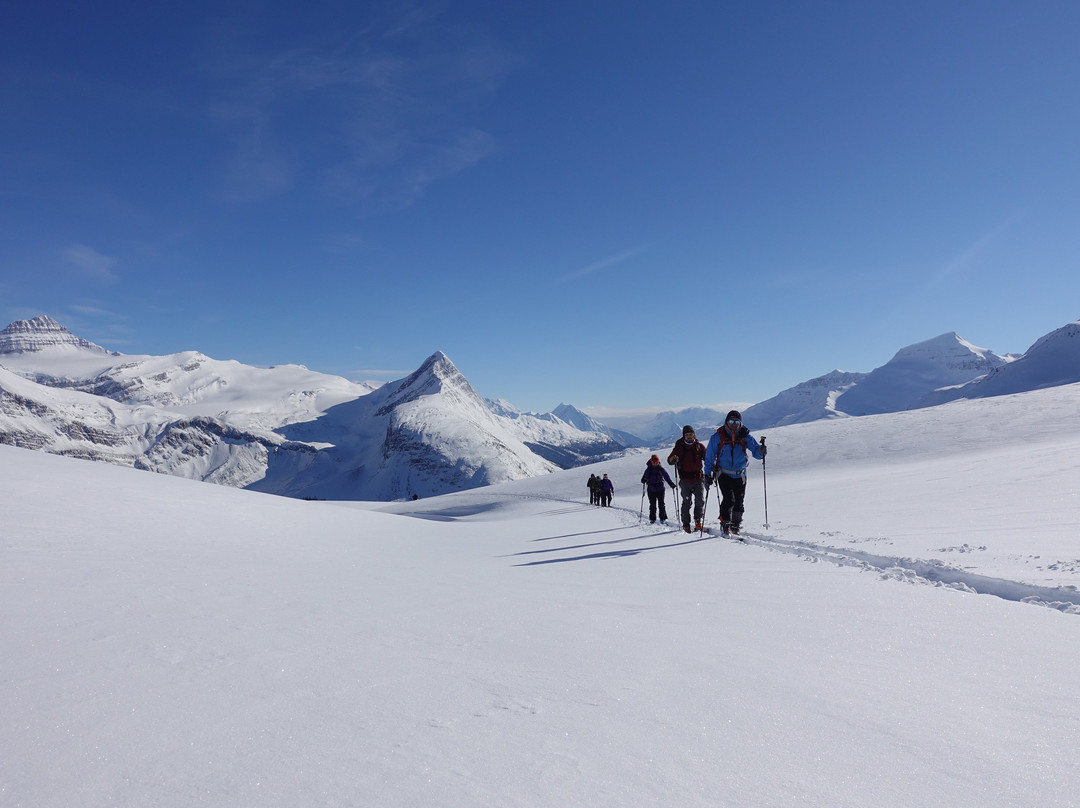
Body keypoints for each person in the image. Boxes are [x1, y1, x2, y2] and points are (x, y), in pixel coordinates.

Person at [704, 410, 766, 536]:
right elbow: (709, 456)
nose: (734, 424)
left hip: (740, 475)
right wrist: (707, 474)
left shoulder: (745, 436)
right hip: (723, 474)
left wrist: (761, 451)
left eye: (736, 421)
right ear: (726, 422)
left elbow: (756, 453)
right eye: (731, 421)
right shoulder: (718, 437)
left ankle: (735, 525)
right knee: (729, 499)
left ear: (740, 422)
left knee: (739, 500)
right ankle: (725, 524)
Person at [667, 425, 707, 533]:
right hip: (685, 480)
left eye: (691, 434)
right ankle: (686, 524)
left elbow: (707, 458)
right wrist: (673, 460)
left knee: (700, 501)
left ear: (694, 435)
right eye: (687, 435)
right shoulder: (679, 447)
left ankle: (698, 520)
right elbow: (669, 460)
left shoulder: (699, 446)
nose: (689, 436)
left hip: (698, 478)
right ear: (684, 436)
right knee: (687, 502)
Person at [640, 454, 675, 524]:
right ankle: (652, 519)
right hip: (651, 490)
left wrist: (671, 484)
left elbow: (666, 477)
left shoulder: (661, 469)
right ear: (651, 462)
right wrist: (643, 480)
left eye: (656, 462)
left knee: (661, 504)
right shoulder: (648, 470)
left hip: (660, 489)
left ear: (658, 462)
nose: (655, 464)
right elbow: (643, 478)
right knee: (652, 505)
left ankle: (662, 518)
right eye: (654, 462)